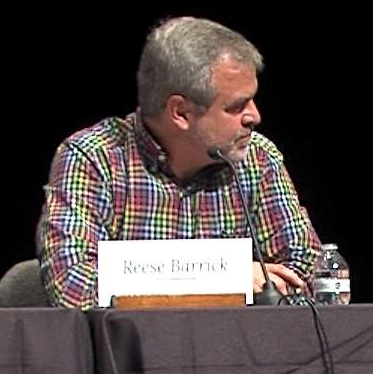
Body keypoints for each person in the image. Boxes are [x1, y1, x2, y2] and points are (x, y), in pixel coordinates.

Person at [37, 16, 322, 309]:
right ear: (181, 112)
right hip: (131, 353)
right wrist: (225, 279)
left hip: (234, 350)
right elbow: (71, 287)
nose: (254, 116)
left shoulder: (257, 158)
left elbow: (309, 272)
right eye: (236, 106)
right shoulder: (94, 157)